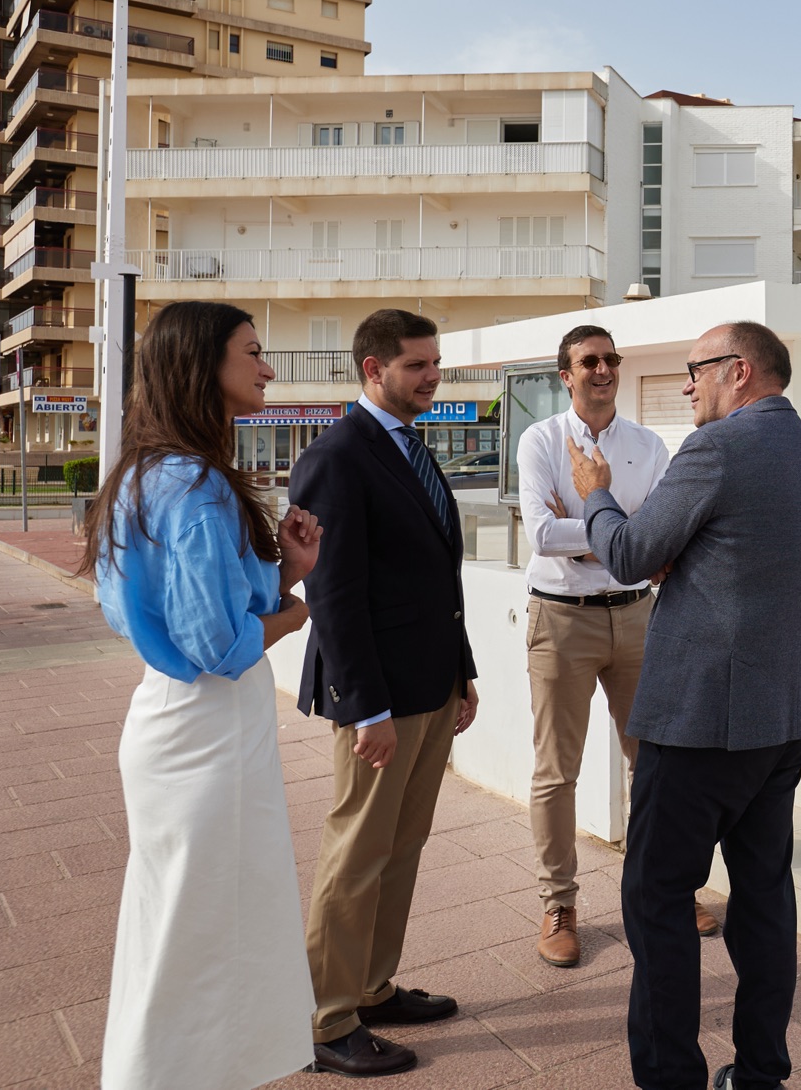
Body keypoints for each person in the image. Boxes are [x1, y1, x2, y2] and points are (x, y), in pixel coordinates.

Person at [568, 321, 801, 1090]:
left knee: (655, 898)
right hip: (781, 721)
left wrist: (596, 496)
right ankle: (759, 1075)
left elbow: (625, 553)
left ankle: (669, 1077)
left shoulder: (717, 448)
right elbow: (740, 557)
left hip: (701, 725)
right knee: (763, 904)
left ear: (739, 371)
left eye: (695, 371)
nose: (686, 385)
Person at [80, 301, 323, 1090]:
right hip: (206, 727)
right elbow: (221, 646)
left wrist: (281, 572)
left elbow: (199, 617)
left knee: (183, 922)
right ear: (203, 365)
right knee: (202, 927)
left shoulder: (150, 474)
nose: (268, 367)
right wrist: (298, 611)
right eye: (253, 352)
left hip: (182, 720)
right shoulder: (195, 485)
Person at [289, 308, 481, 1078]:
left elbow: (438, 576)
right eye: (417, 365)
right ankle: (326, 1020)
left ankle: (371, 988)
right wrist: (364, 706)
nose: (432, 375)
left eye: (435, 363)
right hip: (378, 699)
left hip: (431, 686)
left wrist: (461, 671)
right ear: (374, 369)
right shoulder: (338, 456)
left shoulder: (411, 449)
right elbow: (333, 592)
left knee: (401, 847)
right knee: (356, 853)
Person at [518, 324, 723, 968]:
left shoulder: (647, 443)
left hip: (638, 617)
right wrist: (622, 536)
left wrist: (604, 530)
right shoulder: (541, 441)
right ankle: (560, 903)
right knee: (558, 772)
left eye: (611, 359)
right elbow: (541, 535)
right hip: (562, 619)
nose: (603, 370)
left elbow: (664, 533)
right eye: (589, 361)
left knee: (656, 763)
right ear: (566, 375)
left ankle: (669, 887)